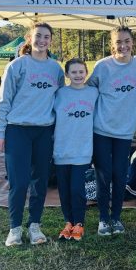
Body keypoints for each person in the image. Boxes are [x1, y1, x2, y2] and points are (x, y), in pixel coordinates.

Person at [0, 22, 65, 247]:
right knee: (19, 181)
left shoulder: (56, 69)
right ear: (29, 38)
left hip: (44, 131)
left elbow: (60, 101)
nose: (42, 40)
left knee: (40, 180)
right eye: (38, 36)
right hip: (18, 130)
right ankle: (15, 228)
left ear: (51, 41)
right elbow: (3, 101)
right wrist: (0, 133)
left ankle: (34, 225)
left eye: (46, 37)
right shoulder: (17, 66)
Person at [88, 26, 136, 236]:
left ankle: (116, 218)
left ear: (133, 42)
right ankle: (104, 218)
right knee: (103, 175)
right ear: (113, 45)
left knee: (120, 175)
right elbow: (87, 90)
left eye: (127, 41)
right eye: (119, 42)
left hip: (124, 133)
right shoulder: (102, 66)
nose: (123, 45)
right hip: (101, 130)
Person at [53, 58, 98, 241]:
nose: (78, 75)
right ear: (67, 75)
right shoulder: (59, 94)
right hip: (62, 149)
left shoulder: (94, 93)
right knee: (64, 189)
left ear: (86, 73)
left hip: (83, 149)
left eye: (81, 72)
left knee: (77, 189)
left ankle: (79, 223)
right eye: (74, 72)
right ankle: (68, 222)